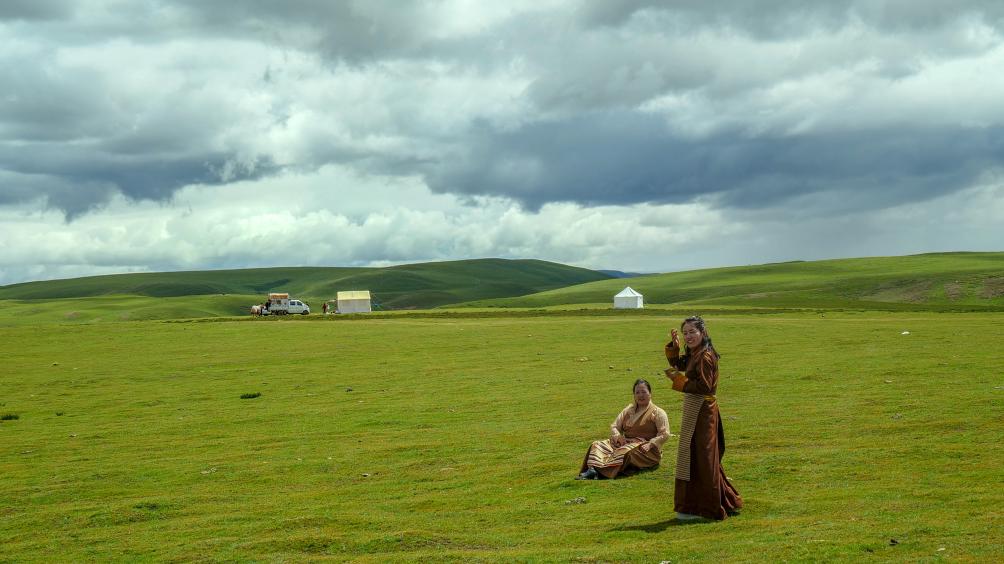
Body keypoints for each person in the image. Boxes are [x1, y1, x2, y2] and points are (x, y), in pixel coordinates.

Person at [665, 315, 743, 520]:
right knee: (693, 455)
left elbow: (705, 386)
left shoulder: (705, 356)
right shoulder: (696, 352)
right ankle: (699, 504)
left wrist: (679, 381)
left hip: (703, 411)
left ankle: (707, 508)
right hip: (695, 409)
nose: (689, 336)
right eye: (685, 333)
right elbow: (681, 364)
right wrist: (674, 347)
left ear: (703, 332)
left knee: (703, 457)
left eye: (692, 332)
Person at [577, 379, 671, 480]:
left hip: (647, 450)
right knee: (597, 444)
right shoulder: (628, 410)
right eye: (637, 392)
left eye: (644, 392)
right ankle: (593, 469)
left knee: (626, 451)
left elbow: (665, 434)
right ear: (634, 395)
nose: (641, 395)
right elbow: (614, 426)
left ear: (650, 394)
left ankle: (600, 472)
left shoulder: (658, 412)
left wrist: (651, 444)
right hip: (626, 443)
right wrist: (618, 436)